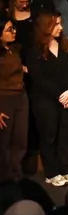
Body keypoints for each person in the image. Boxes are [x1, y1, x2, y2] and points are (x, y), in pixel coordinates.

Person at [24, 12, 68, 186]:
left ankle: (67, 169)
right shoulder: (35, 51)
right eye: (56, 25)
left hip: (67, 98)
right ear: (45, 27)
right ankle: (52, 172)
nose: (60, 28)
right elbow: (39, 79)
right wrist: (59, 96)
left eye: (60, 24)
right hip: (46, 101)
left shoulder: (65, 46)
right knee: (49, 137)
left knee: (66, 136)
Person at [0, 13, 28, 181]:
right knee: (5, 142)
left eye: (13, 28)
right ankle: (5, 179)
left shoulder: (15, 49)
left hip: (21, 97)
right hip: (4, 99)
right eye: (9, 30)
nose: (14, 32)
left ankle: (17, 176)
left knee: (20, 138)